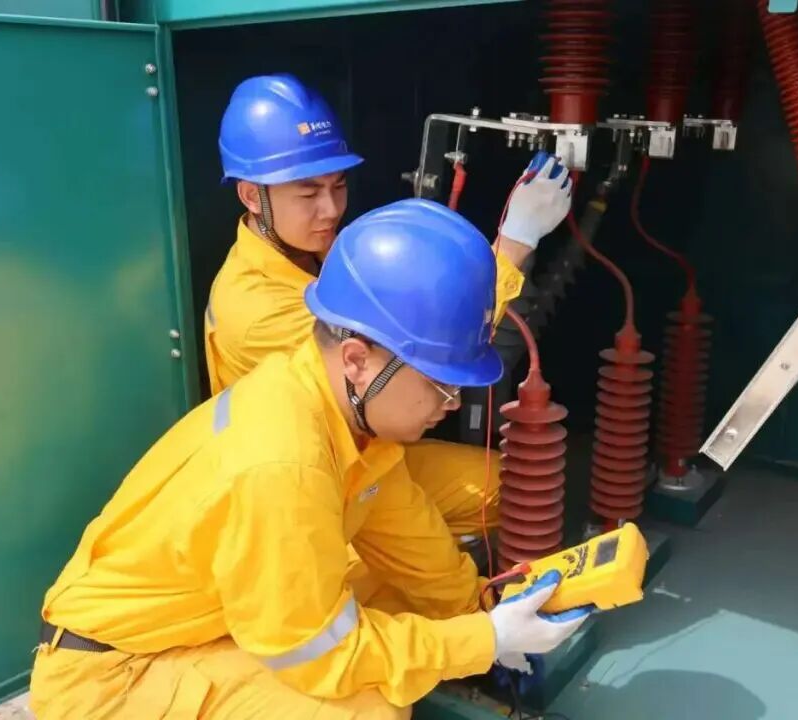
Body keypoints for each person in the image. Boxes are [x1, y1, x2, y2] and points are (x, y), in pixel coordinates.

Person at [30, 199, 593, 719]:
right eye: (439, 386)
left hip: (195, 629)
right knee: (367, 710)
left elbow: (416, 551)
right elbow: (322, 653)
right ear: (357, 360)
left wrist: (482, 617)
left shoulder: (344, 417)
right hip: (114, 679)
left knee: (400, 606)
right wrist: (484, 641)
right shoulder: (284, 462)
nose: (450, 405)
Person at [204, 73, 572, 560]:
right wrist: (514, 245)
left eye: (338, 186)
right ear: (252, 196)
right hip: (314, 481)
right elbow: (413, 342)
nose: (330, 209)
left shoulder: (312, 248)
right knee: (395, 561)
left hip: (365, 449)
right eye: (308, 194)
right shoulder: (255, 307)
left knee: (504, 487)